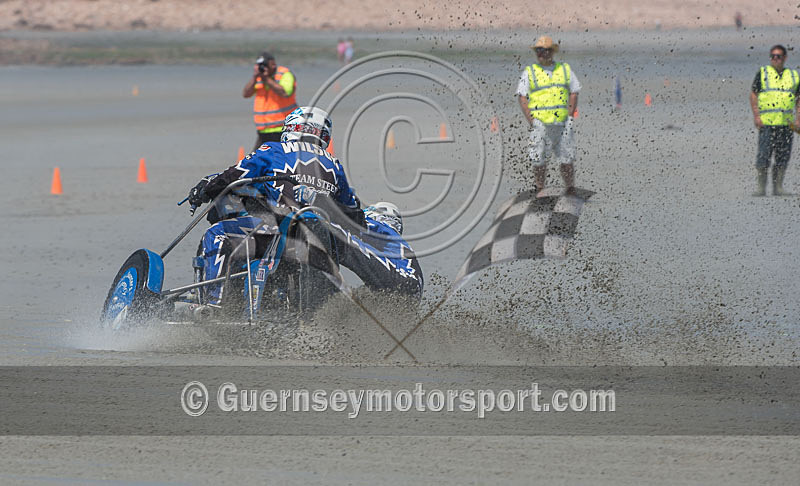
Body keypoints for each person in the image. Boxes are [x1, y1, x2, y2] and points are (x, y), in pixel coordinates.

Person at [186, 107, 421, 308]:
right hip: (323, 236)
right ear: (324, 135)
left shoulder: (273, 150)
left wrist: (206, 189)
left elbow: (236, 174)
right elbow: (352, 213)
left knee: (217, 235)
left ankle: (213, 304)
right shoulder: (334, 166)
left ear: (291, 128)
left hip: (277, 229)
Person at [516, 35, 581, 195]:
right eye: (538, 50)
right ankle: (539, 190)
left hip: (562, 122)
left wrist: (571, 116)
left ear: (551, 52)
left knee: (567, 159)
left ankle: (570, 190)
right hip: (540, 123)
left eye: (544, 50)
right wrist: (531, 120)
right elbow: (521, 96)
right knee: (538, 159)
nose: (541, 53)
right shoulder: (530, 71)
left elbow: (574, 90)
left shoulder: (564, 69)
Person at [749, 44, 800, 196]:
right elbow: (753, 94)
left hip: (786, 124)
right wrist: (756, 116)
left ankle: (778, 188)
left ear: (784, 58)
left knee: (782, 157)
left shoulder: (793, 76)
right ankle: (761, 188)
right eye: (772, 56)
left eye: (778, 56)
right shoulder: (763, 73)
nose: (775, 59)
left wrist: (798, 119)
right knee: (763, 156)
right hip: (767, 123)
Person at [242, 52, 298, 151]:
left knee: (284, 160)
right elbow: (246, 94)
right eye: (259, 65)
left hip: (283, 129)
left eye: (265, 65)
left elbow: (285, 92)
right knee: (255, 163)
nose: (262, 68)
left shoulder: (284, 74)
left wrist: (266, 79)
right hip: (264, 131)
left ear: (273, 64)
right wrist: (255, 77)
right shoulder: (259, 77)